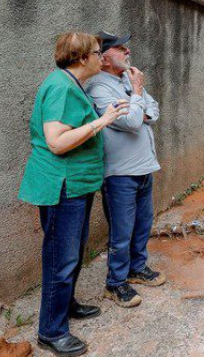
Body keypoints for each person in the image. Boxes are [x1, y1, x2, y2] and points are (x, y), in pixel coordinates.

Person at [18, 32, 129, 357]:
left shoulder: (70, 85)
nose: (102, 57)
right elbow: (56, 141)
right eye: (97, 53)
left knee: (73, 253)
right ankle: (50, 331)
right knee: (61, 258)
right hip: (61, 186)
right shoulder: (61, 87)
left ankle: (65, 306)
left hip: (75, 185)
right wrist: (103, 121)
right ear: (82, 59)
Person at [86, 31, 167, 309]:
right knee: (121, 232)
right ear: (105, 57)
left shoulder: (127, 80)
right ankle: (115, 283)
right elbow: (132, 123)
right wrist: (137, 96)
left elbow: (153, 110)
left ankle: (137, 268)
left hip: (144, 166)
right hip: (119, 173)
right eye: (121, 49)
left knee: (143, 224)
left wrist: (137, 103)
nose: (127, 53)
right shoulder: (98, 87)